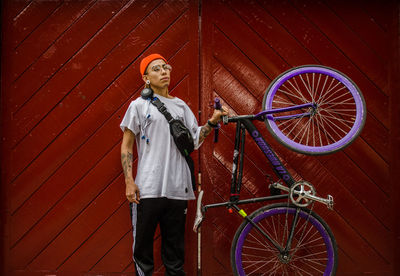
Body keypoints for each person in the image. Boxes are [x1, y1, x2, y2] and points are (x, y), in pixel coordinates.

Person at [120, 53, 227, 276]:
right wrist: (129, 181)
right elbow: (127, 146)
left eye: (166, 67)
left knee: (175, 254)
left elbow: (195, 140)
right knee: (143, 252)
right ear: (146, 78)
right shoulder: (138, 106)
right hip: (146, 190)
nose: (164, 72)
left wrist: (212, 121)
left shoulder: (180, 107)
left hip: (178, 189)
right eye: (157, 69)